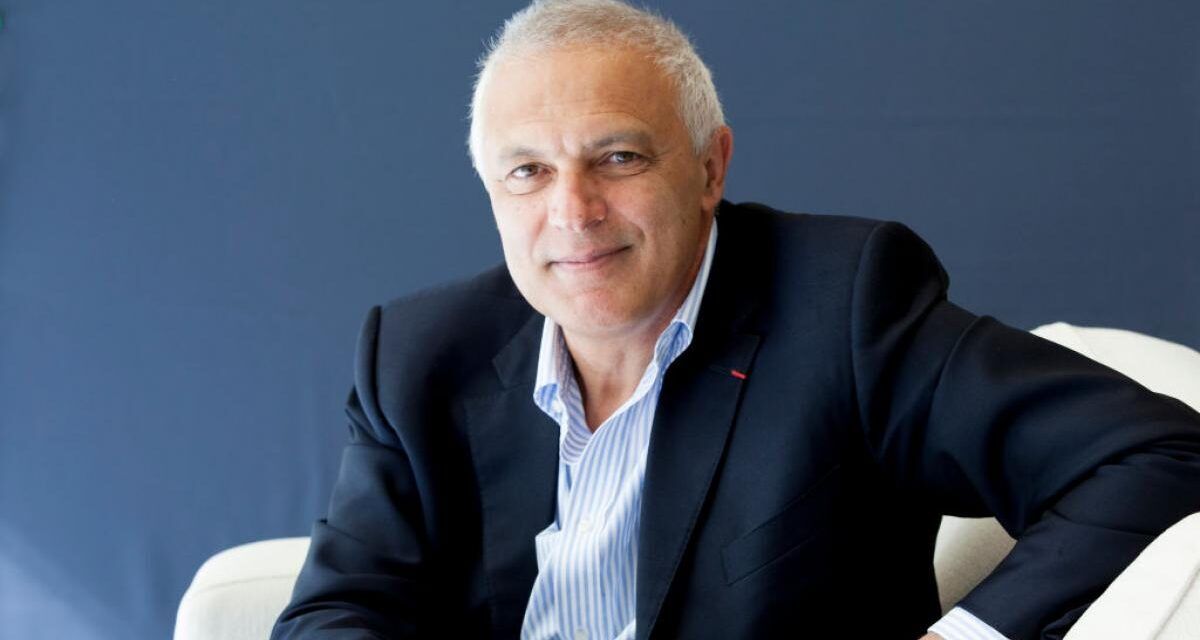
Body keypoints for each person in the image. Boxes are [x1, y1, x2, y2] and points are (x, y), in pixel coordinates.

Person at [271, 1, 1200, 638]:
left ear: (710, 168)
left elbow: (1157, 455)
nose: (573, 211)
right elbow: (337, 611)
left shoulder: (844, 306)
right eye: (529, 172)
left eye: (619, 158)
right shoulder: (419, 357)